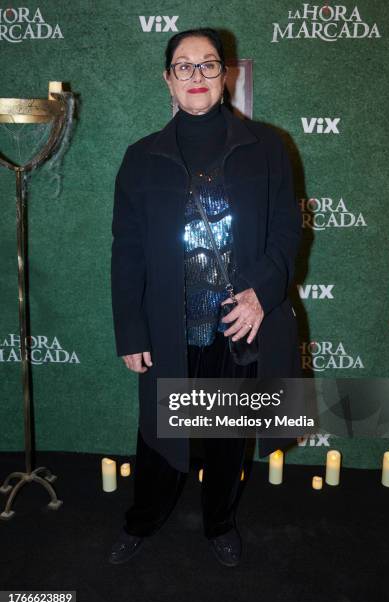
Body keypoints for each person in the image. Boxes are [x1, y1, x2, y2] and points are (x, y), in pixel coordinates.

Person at [109, 28, 302, 567]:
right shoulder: (140, 158)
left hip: (237, 325)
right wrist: (131, 329)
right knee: (156, 438)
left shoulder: (267, 147)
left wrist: (262, 294)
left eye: (208, 64)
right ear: (168, 79)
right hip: (167, 325)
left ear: (226, 76)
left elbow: (287, 230)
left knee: (226, 440)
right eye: (184, 66)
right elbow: (126, 252)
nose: (197, 75)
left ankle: (220, 524)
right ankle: (141, 522)